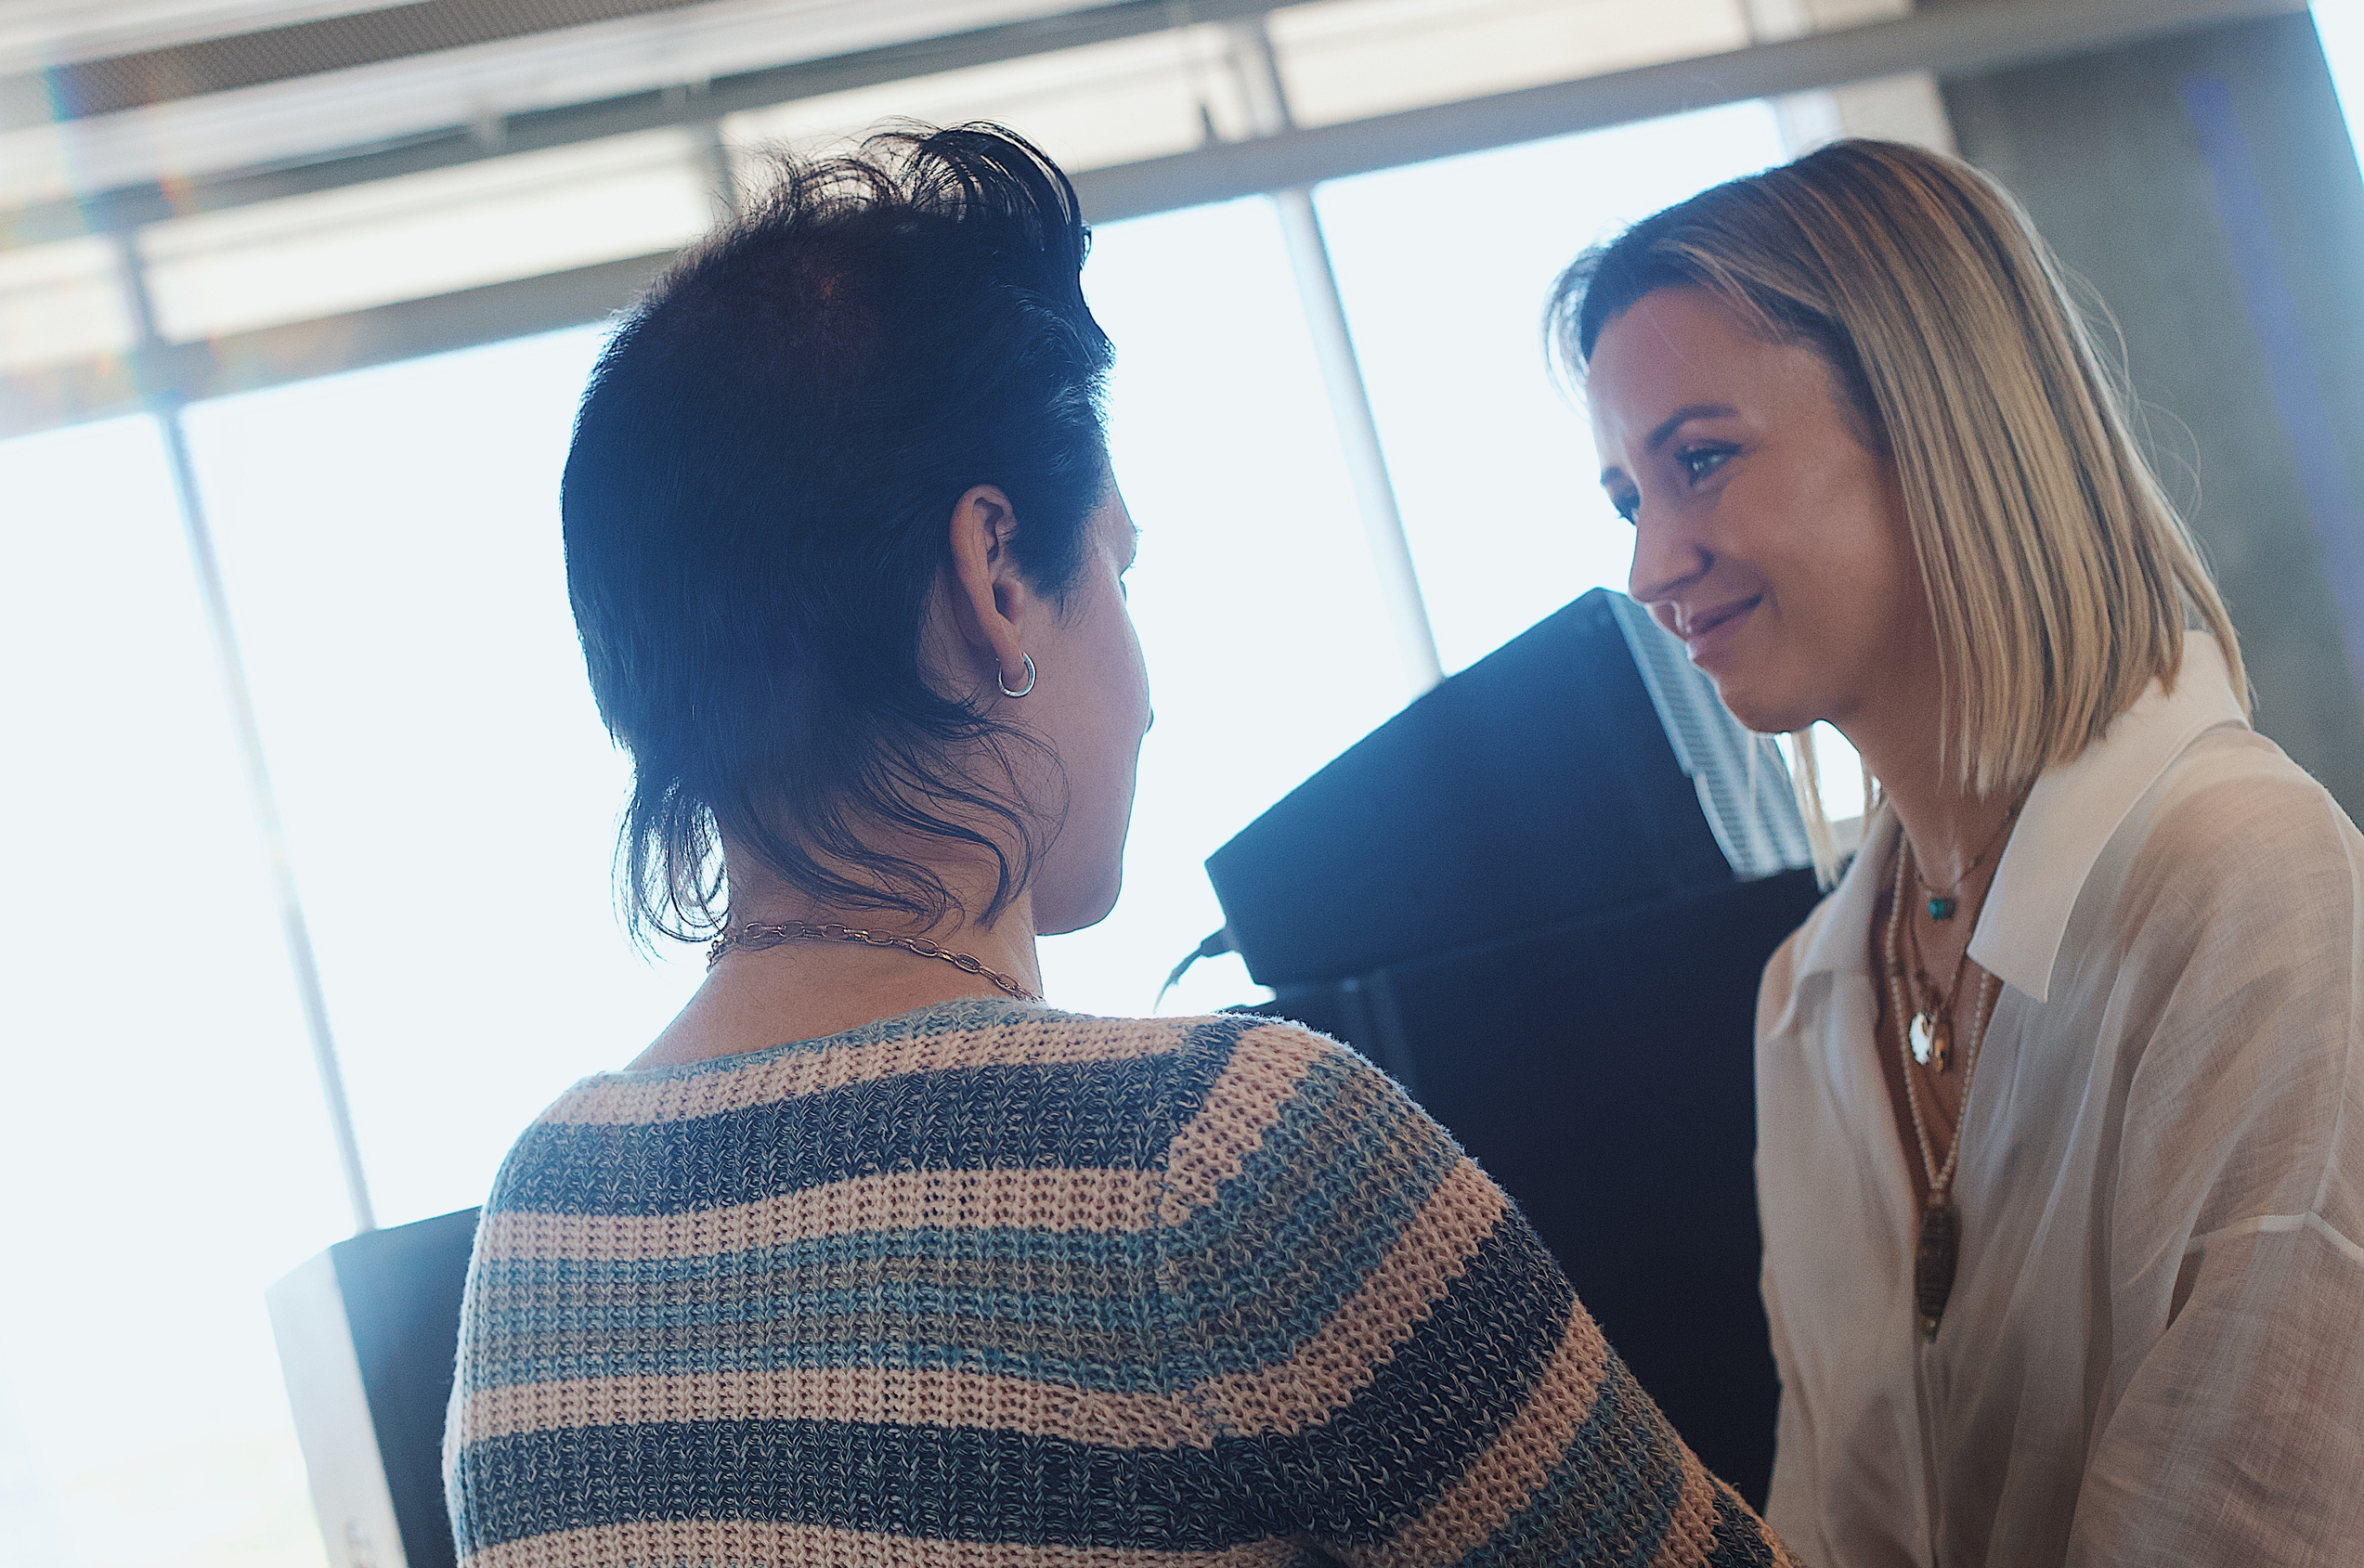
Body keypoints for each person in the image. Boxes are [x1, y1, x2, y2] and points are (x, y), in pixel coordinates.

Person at [442, 123, 1795, 1568]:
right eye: (1119, 569)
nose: (1149, 694)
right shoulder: (1217, 1157)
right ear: (995, 574)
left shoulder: (536, 1238)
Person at [1555, 137, 2364, 1568]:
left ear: (1932, 417)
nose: (1650, 565)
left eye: (1702, 461)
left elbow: (2246, 1517)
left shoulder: (2248, 881)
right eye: (1630, 498)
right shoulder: (1806, 998)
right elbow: (1820, 1519)